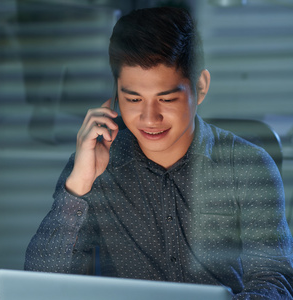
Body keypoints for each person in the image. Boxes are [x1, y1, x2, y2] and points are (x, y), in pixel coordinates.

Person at [24, 6, 293, 299]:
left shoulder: (248, 166)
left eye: (166, 99)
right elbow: (41, 283)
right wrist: (79, 185)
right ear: (115, 94)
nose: (149, 118)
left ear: (200, 88)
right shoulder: (95, 162)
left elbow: (273, 279)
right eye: (134, 98)